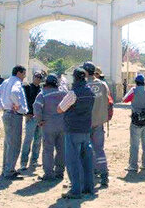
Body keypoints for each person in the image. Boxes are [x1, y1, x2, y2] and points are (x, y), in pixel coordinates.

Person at [57, 68, 95, 199]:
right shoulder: (90, 92)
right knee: (86, 161)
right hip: (86, 130)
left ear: (74, 78)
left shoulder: (73, 93)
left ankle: (75, 190)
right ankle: (89, 188)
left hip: (73, 130)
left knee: (73, 161)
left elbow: (60, 109)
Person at [0, 65, 28, 180]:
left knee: (8, 143)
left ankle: (6, 168)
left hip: (7, 113)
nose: (24, 76)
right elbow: (14, 93)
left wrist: (2, 106)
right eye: (24, 73)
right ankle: (9, 171)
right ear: (19, 73)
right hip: (14, 115)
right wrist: (18, 105)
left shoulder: (6, 81)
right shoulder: (16, 82)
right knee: (14, 144)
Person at [83, 61, 112, 188]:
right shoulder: (103, 85)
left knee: (86, 150)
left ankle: (89, 174)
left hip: (85, 124)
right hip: (99, 123)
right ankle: (104, 174)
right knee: (99, 149)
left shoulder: (82, 86)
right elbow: (108, 101)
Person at [33, 74, 67, 180]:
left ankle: (48, 174)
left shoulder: (42, 94)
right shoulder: (64, 93)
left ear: (46, 83)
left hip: (48, 126)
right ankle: (60, 172)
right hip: (63, 126)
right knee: (61, 150)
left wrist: (39, 121)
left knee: (48, 150)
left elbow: (36, 108)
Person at [19, 72, 43, 171]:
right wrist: (25, 113)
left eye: (40, 77)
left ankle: (34, 161)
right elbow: (23, 101)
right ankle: (23, 163)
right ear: (33, 77)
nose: (38, 79)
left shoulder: (42, 89)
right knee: (28, 140)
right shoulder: (27, 87)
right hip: (31, 117)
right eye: (36, 77)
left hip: (40, 118)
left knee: (38, 141)